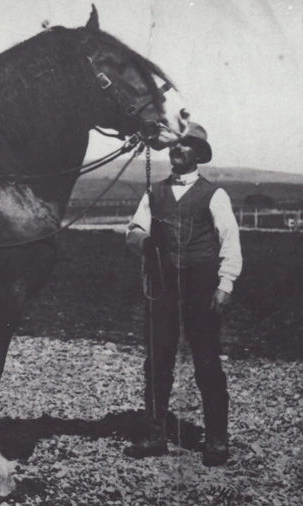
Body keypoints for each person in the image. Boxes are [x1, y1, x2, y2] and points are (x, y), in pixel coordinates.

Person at [123, 122, 242, 466]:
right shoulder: (154, 193)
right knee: (158, 361)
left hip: (201, 287)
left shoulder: (214, 195)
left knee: (206, 361)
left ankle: (216, 440)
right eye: (176, 145)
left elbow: (230, 242)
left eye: (187, 146)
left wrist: (225, 285)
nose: (178, 149)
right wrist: (145, 241)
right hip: (160, 288)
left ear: (198, 155)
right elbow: (133, 231)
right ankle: (155, 435)